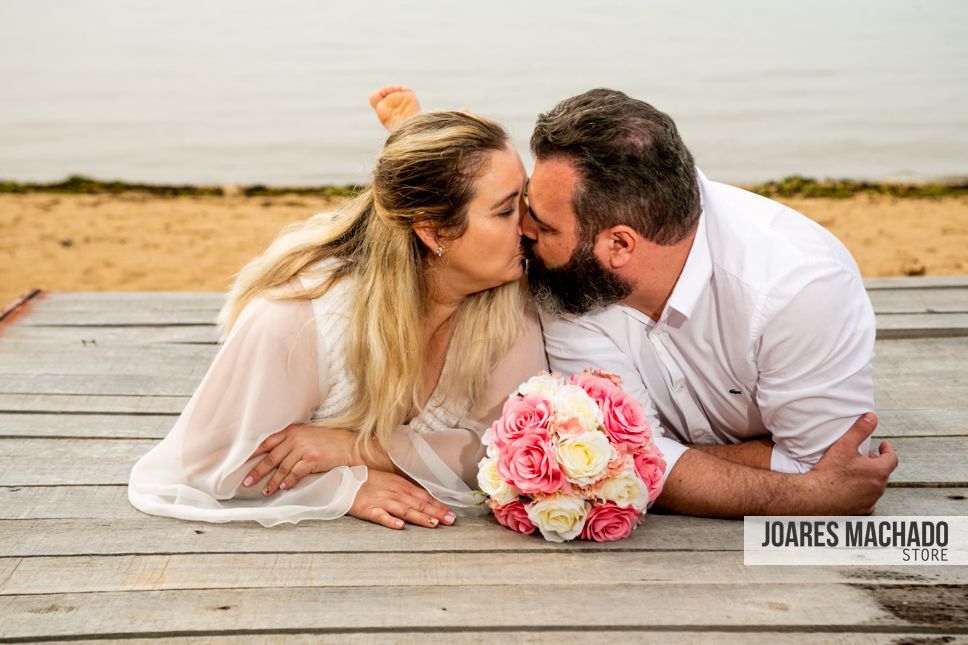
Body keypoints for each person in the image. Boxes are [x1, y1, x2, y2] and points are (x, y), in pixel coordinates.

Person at [127, 102, 547, 529]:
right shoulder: (299, 320)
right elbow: (208, 463)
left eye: (525, 200)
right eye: (505, 210)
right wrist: (343, 487)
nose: (531, 227)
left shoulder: (508, 301)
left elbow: (505, 450)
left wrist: (356, 451)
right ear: (433, 231)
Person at [521, 88, 899, 517]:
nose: (524, 228)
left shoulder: (798, 290)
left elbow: (825, 467)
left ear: (620, 244)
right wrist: (804, 489)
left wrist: (659, 455)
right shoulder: (572, 281)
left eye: (544, 225)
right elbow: (617, 458)